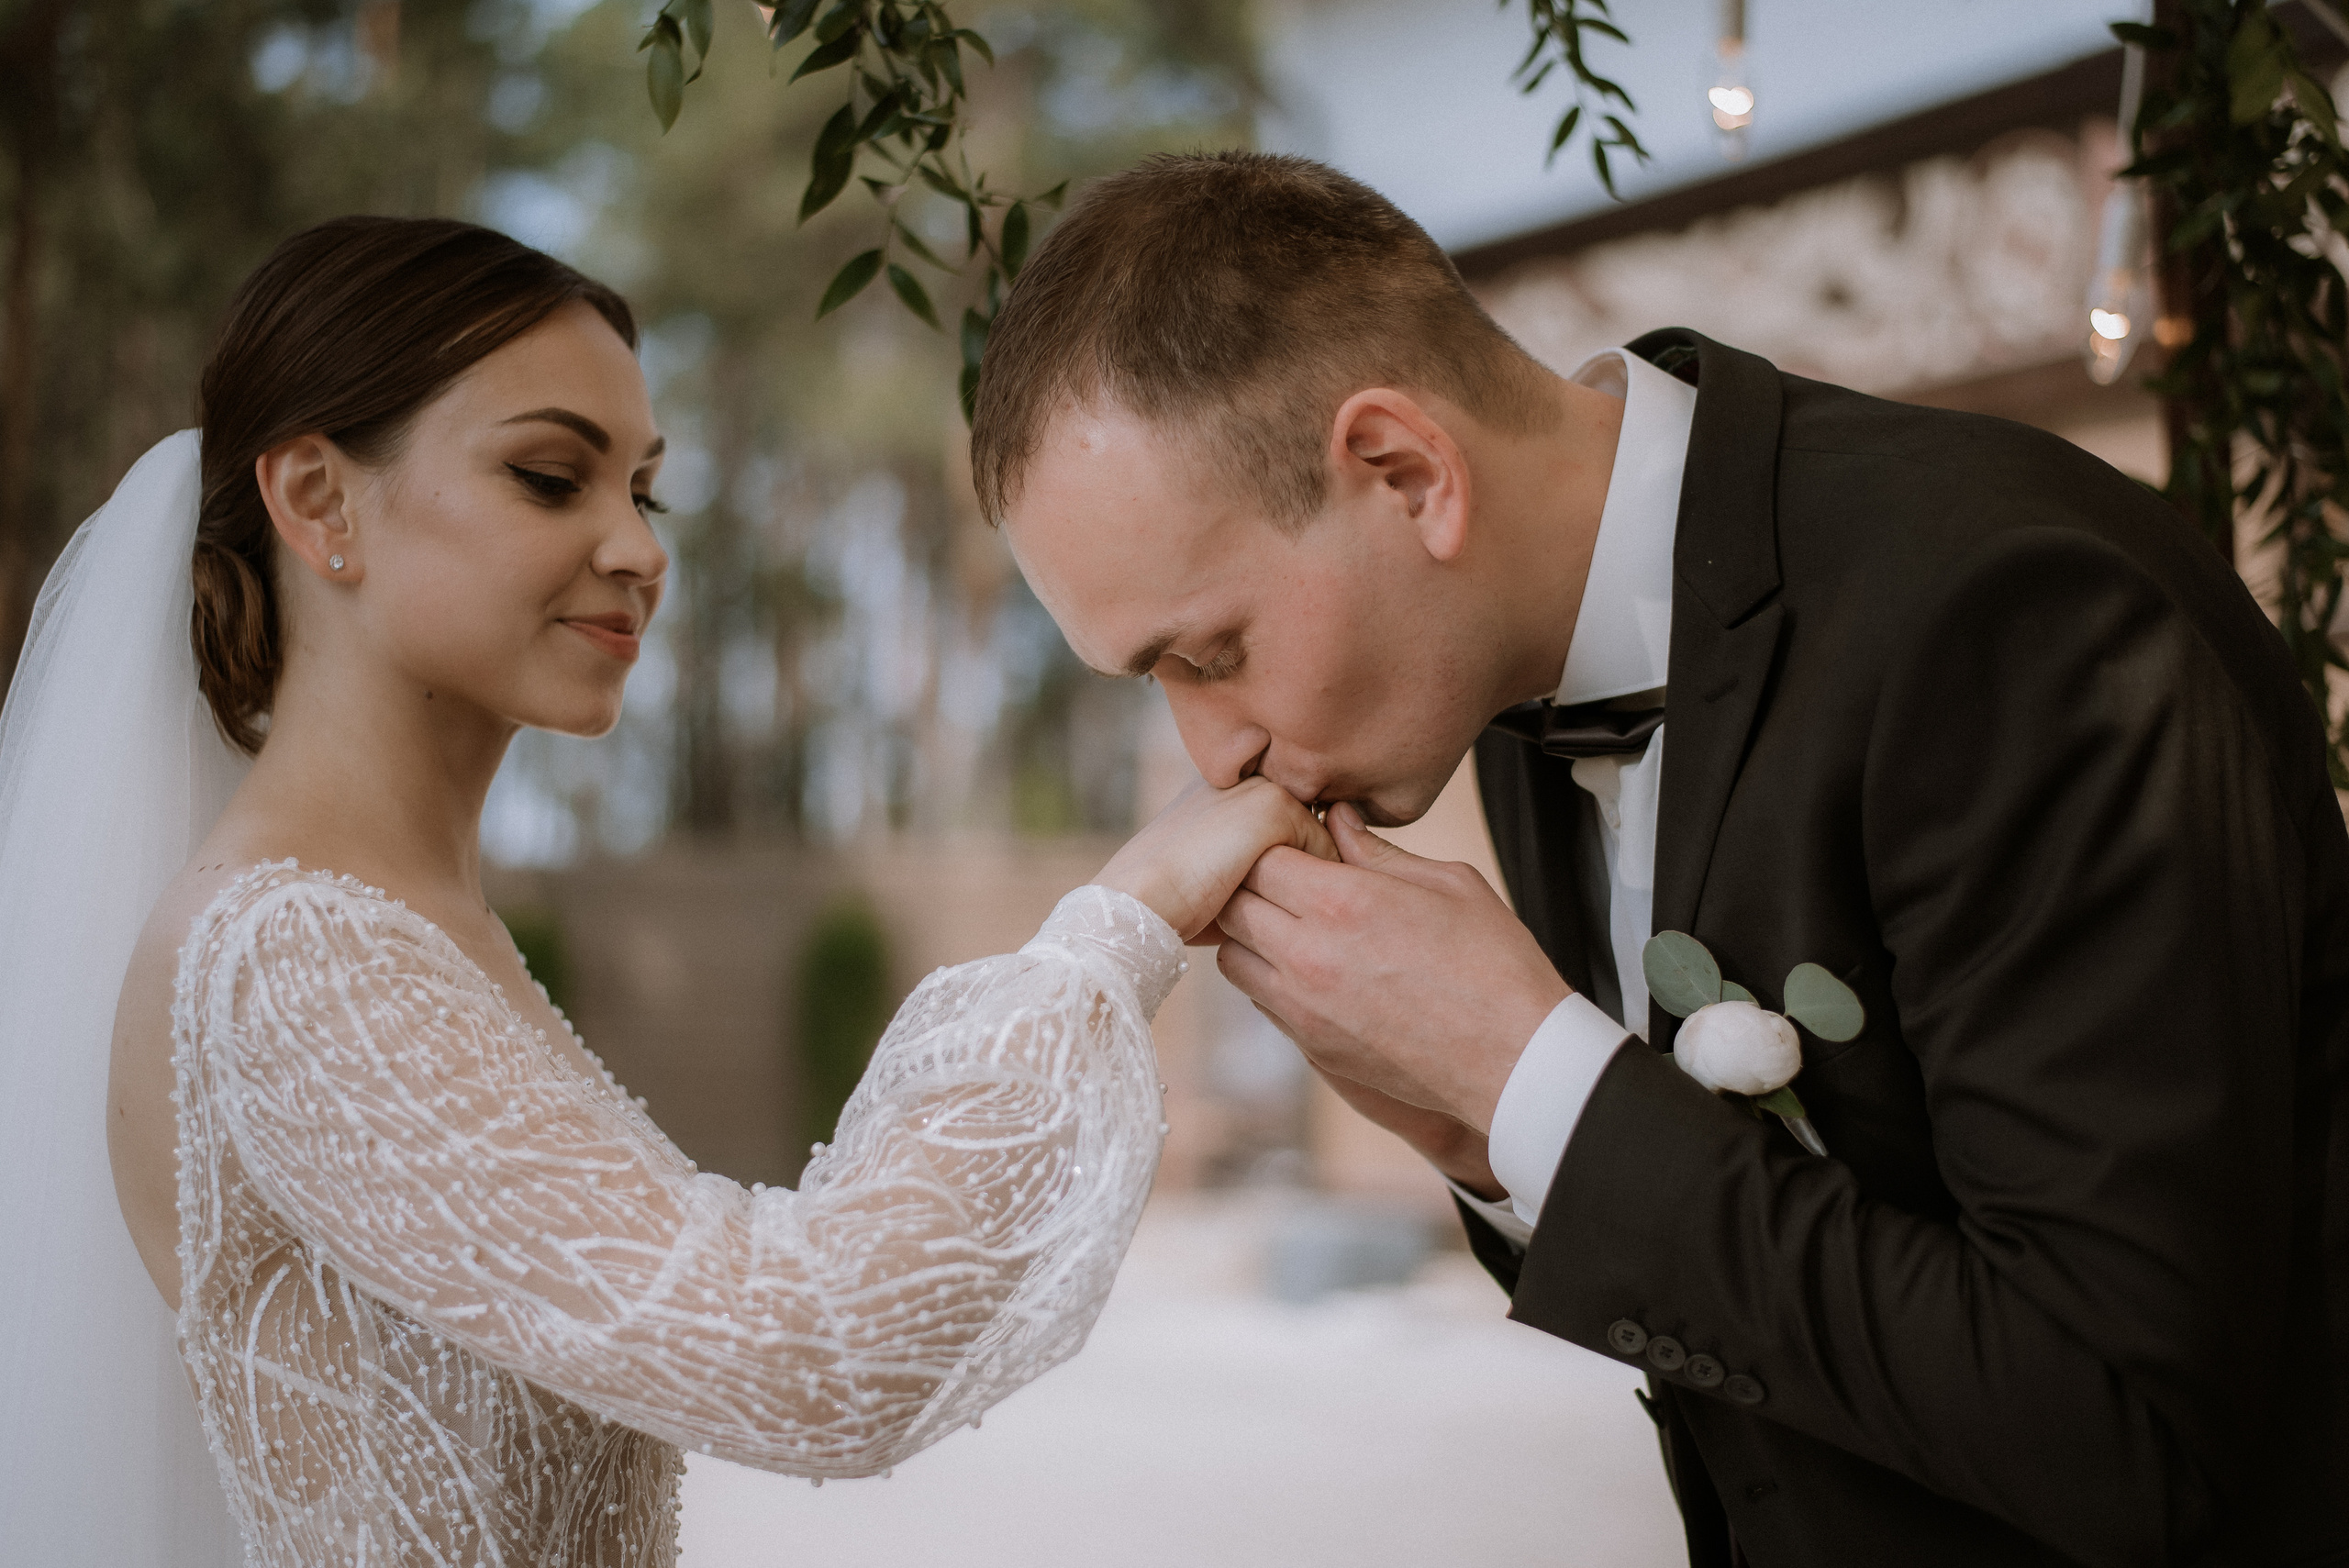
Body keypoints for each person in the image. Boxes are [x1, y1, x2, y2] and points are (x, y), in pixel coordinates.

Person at [971, 151, 2349, 1565]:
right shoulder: (1498, 693)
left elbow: (2126, 1432)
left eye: (1210, 653)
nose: (1213, 757)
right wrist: (1484, 1137)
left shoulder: (2012, 614)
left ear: (1403, 470)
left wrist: (1539, 1078)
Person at [0, 216, 1333, 1568]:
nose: (637, 548)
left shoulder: (418, 936)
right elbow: (809, 1348)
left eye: (646, 491)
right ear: (318, 501)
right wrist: (1118, 928)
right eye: (548, 476)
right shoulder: (286, 956)